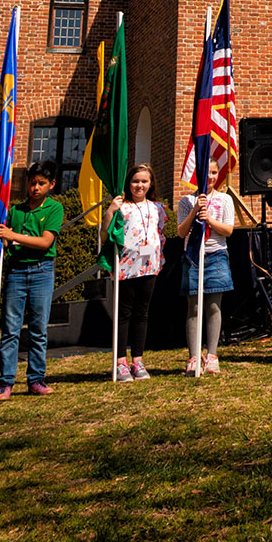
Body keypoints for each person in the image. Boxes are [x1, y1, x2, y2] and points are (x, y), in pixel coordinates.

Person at [0, 161, 65, 399]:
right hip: (16, 272)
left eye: (41, 184)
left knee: (38, 328)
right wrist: (2, 237)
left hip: (41, 271)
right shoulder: (16, 211)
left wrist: (13, 235)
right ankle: (5, 381)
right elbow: (7, 240)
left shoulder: (54, 209)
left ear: (51, 185)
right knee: (11, 328)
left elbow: (45, 242)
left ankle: (36, 378)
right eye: (32, 183)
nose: (36, 188)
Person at [177, 160, 237, 374]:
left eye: (213, 172)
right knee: (193, 307)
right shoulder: (187, 201)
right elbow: (182, 232)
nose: (210, 177)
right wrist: (195, 211)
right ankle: (194, 356)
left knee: (213, 306)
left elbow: (228, 230)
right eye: (206, 172)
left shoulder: (225, 199)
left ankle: (211, 355)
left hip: (216, 255)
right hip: (193, 256)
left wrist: (209, 219)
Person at [107, 163, 163, 383]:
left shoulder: (158, 208)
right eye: (135, 181)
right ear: (129, 183)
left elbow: (160, 233)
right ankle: (120, 361)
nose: (139, 185)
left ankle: (137, 360)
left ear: (150, 184)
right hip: (125, 267)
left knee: (142, 313)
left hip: (149, 266)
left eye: (144, 181)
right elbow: (105, 233)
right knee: (124, 314)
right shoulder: (122, 207)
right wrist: (110, 211)